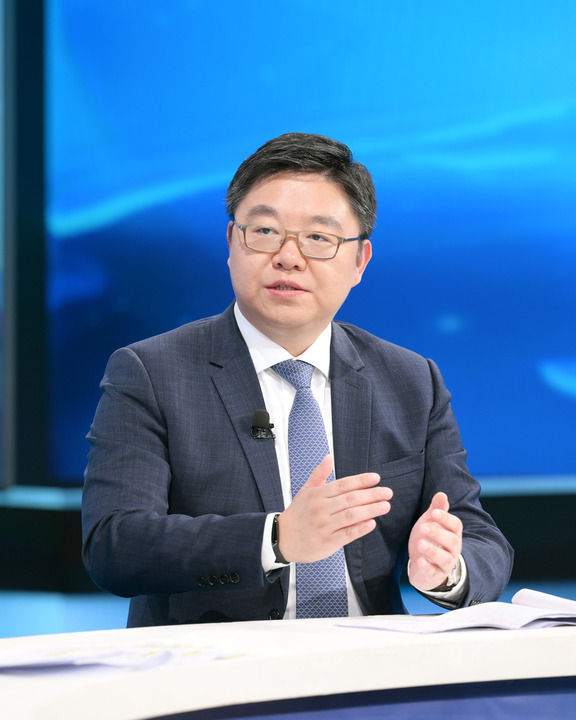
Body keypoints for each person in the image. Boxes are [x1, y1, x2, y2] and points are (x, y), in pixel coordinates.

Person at [82, 133, 513, 627]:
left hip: (370, 661)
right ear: (231, 243)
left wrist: (447, 568)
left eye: (318, 238)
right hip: (214, 663)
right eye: (265, 231)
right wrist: (277, 538)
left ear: (359, 261)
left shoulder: (411, 380)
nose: (289, 256)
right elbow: (115, 544)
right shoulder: (151, 373)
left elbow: (479, 537)